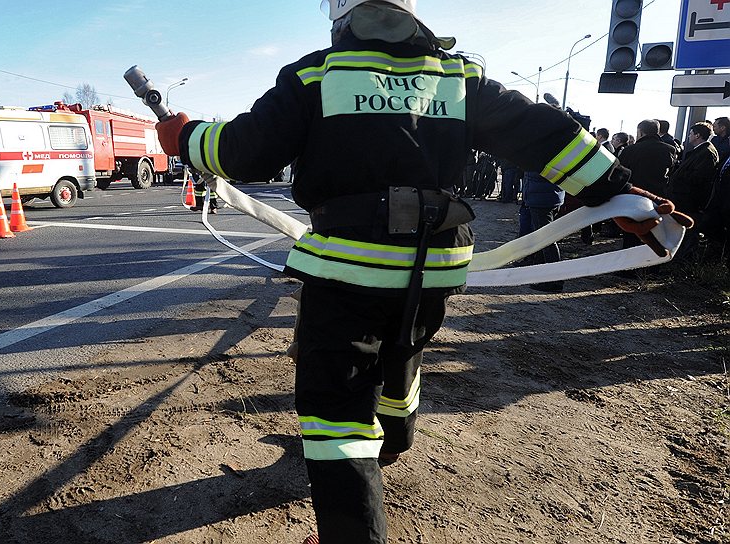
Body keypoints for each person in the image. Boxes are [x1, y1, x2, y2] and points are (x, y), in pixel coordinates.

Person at [155, 2, 690, 542]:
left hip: (348, 263)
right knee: (404, 341)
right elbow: (546, 133)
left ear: (341, 15)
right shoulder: (458, 75)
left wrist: (187, 136)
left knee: (334, 413)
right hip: (436, 263)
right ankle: (396, 437)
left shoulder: (316, 74)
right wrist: (615, 191)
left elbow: (245, 151)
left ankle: (354, 525)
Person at [617, 120, 678, 249]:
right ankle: (653, 265)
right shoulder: (669, 150)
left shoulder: (630, 150)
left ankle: (630, 266)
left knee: (632, 235)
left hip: (634, 199)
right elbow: (670, 172)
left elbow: (621, 173)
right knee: (656, 234)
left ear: (640, 132)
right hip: (658, 198)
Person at [668, 122, 720, 259]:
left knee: (689, 231)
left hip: (690, 201)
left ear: (697, 135)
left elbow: (700, 179)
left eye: (691, 133)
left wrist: (679, 180)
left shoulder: (706, 152)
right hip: (686, 199)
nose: (689, 136)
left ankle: (683, 260)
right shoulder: (701, 151)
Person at [518, 171, 565, 292]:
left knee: (546, 240)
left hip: (542, 199)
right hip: (547, 197)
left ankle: (555, 281)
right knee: (542, 239)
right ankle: (541, 274)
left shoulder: (541, 158)